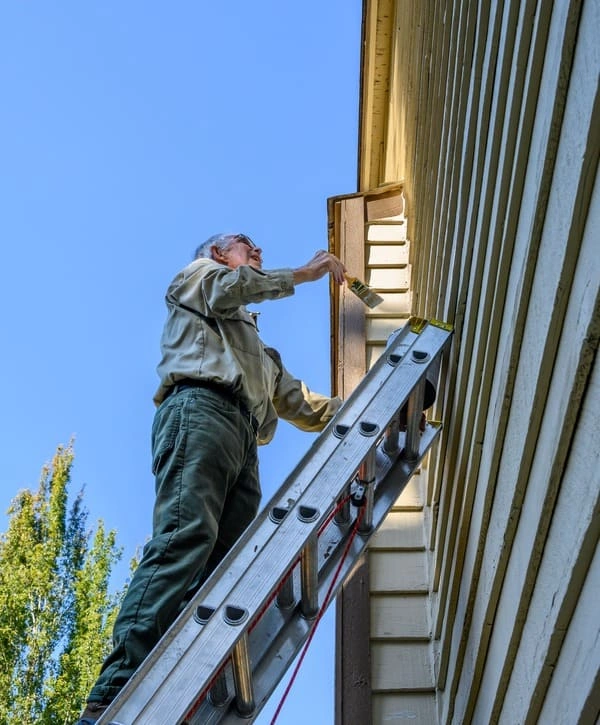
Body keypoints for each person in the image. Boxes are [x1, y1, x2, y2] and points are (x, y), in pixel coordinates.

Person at [76, 233, 346, 724]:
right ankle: (112, 696)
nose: (258, 251)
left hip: (242, 438)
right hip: (200, 409)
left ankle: (183, 695)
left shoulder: (258, 349)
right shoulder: (198, 277)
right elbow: (230, 288)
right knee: (187, 538)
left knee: (225, 576)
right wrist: (303, 275)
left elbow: (301, 403)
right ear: (219, 254)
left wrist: (367, 406)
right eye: (246, 244)